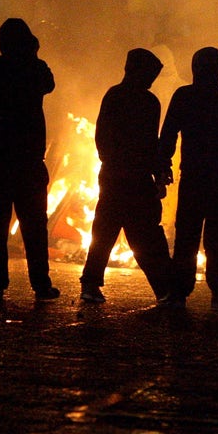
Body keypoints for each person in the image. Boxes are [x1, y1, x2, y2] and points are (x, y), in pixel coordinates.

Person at [158, 47, 218, 310]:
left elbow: (168, 135)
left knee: (186, 236)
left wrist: (162, 165)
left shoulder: (184, 96)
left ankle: (179, 292)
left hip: (193, 177)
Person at [78, 49, 174, 304]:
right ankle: (164, 289)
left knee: (108, 230)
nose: (152, 79)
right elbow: (148, 143)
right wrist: (156, 172)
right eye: (150, 73)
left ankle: (91, 284)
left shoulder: (118, 96)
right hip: (129, 177)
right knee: (142, 234)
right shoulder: (144, 101)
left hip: (118, 175)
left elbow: (105, 138)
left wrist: (156, 172)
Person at [0, 18, 60, 301]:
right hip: (28, 162)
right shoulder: (34, 67)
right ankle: (41, 284)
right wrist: (32, 55)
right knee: (35, 226)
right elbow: (49, 84)